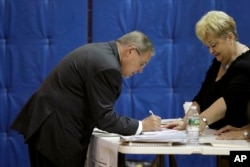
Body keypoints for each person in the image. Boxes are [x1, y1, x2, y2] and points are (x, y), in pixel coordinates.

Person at [11, 31, 162, 167]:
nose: (141, 70)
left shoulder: (102, 53)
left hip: (50, 125)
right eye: (142, 64)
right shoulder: (107, 66)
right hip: (55, 133)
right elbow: (105, 118)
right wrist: (142, 126)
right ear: (131, 51)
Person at [163, 10, 250, 134]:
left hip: (240, 141)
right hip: (219, 137)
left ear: (230, 37)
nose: (211, 51)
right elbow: (202, 96)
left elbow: (228, 101)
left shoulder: (246, 64)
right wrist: (186, 120)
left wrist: (199, 122)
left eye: (214, 45)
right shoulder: (219, 61)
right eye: (208, 46)